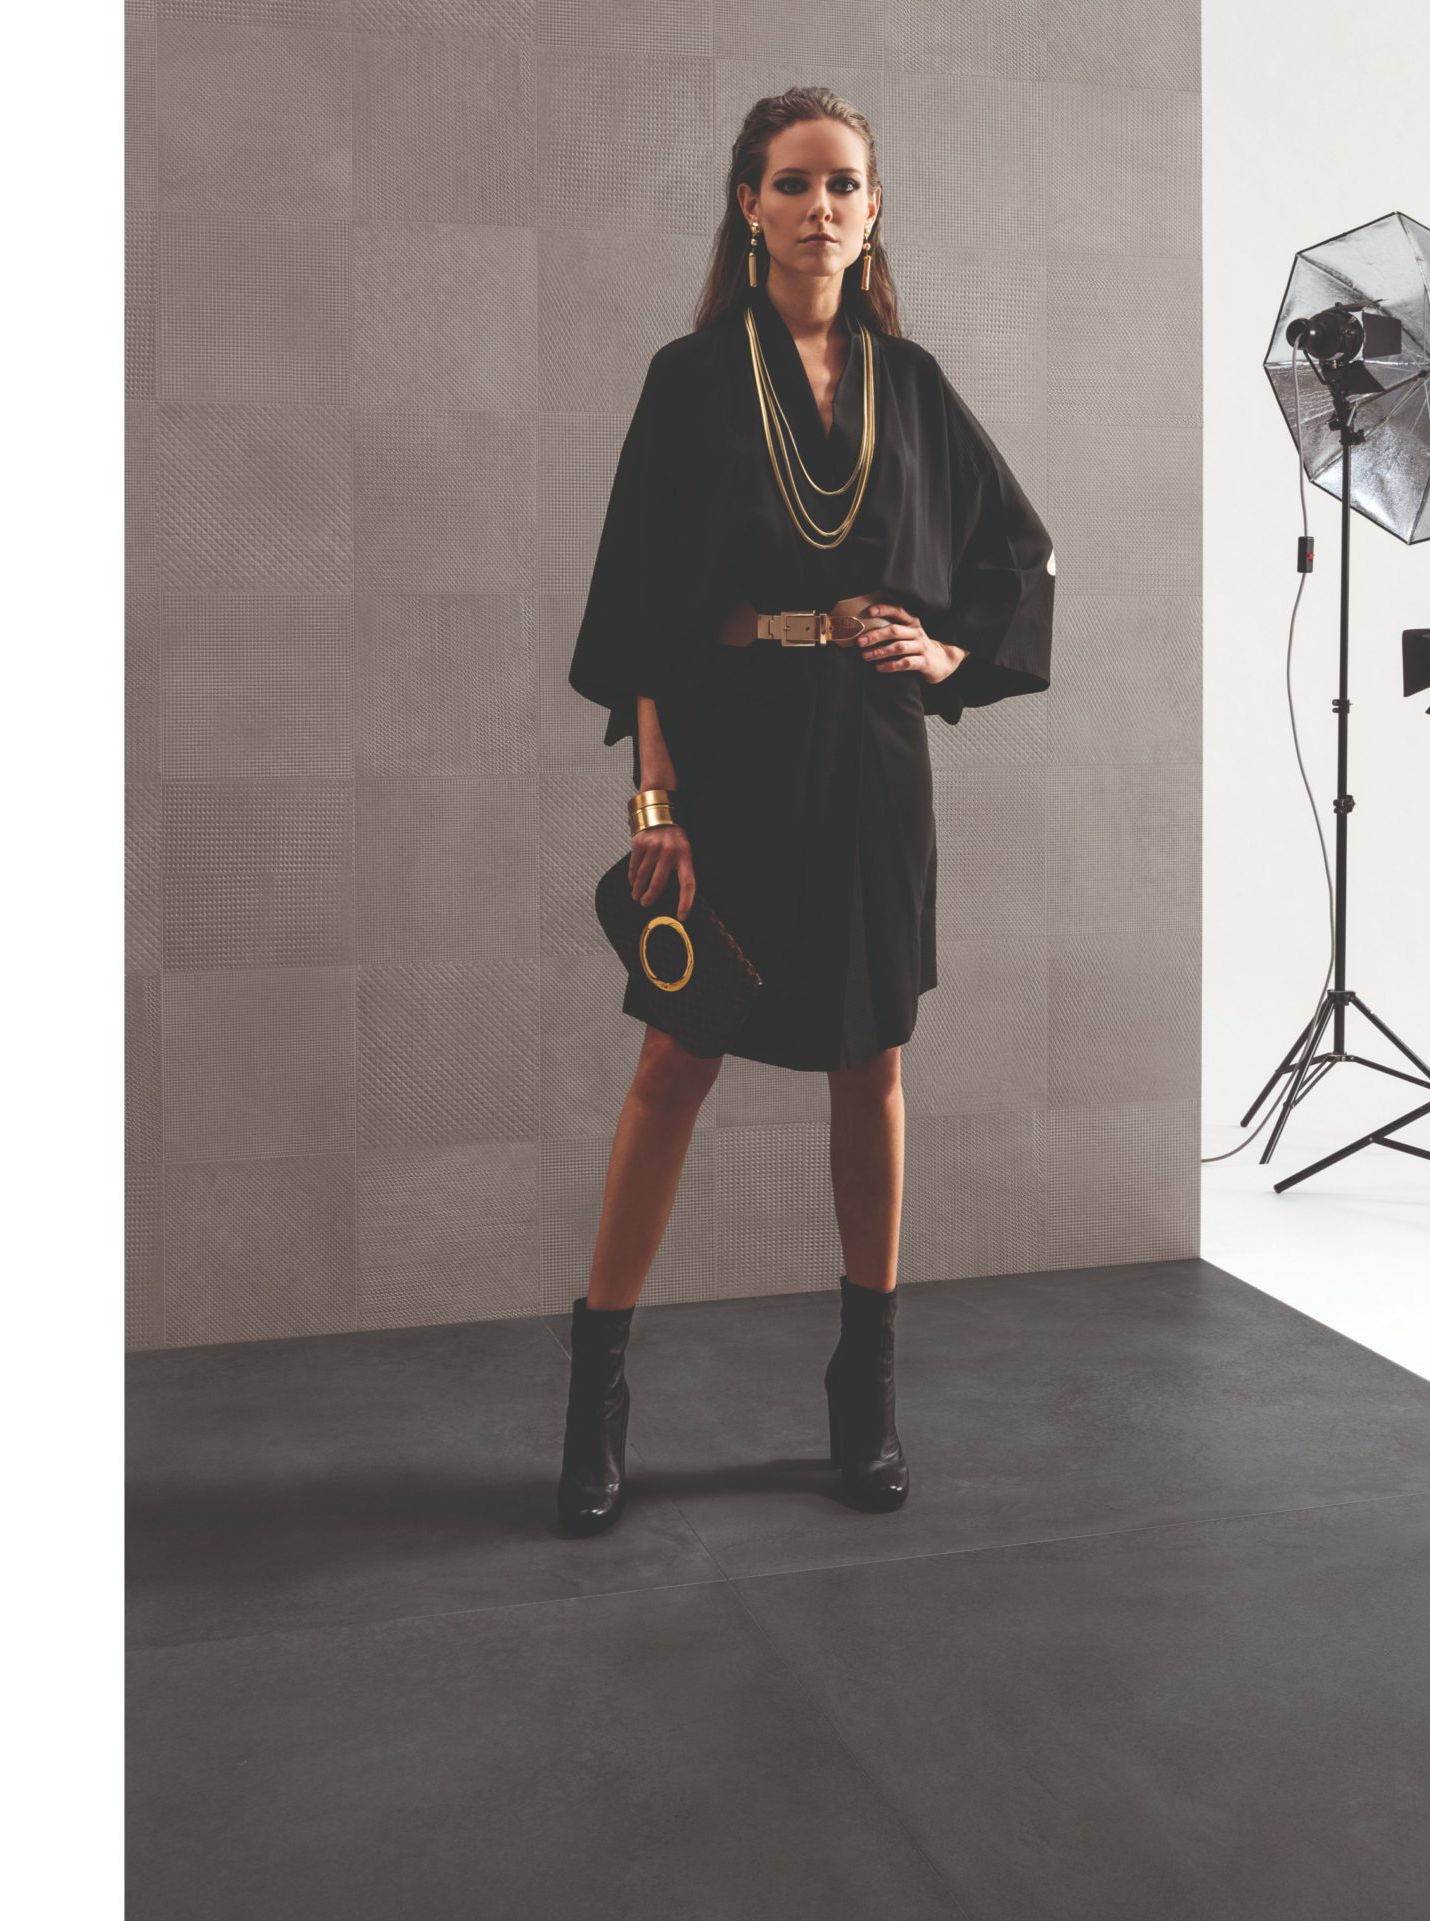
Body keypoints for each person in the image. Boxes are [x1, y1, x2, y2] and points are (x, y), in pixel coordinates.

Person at [553, 87, 1055, 1537]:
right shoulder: (690, 380)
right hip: (730, 754)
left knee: (870, 1062)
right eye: (792, 183)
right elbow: (641, 608)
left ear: (873, 211)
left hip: (873, 757)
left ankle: (865, 1387)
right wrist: (656, 798)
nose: (819, 207)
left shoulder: (916, 382)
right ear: (748, 206)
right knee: (676, 1059)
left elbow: (1018, 553)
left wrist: (945, 652)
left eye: (843, 185)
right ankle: (596, 1388)